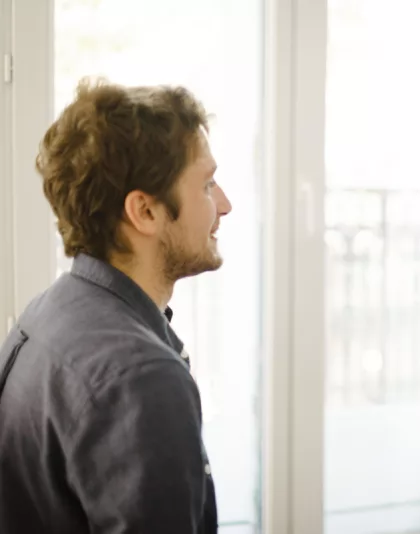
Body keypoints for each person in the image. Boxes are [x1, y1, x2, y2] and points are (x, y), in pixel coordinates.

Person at [0, 79, 232, 533]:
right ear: (144, 212)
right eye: (206, 185)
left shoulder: (48, 312)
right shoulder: (140, 376)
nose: (225, 204)